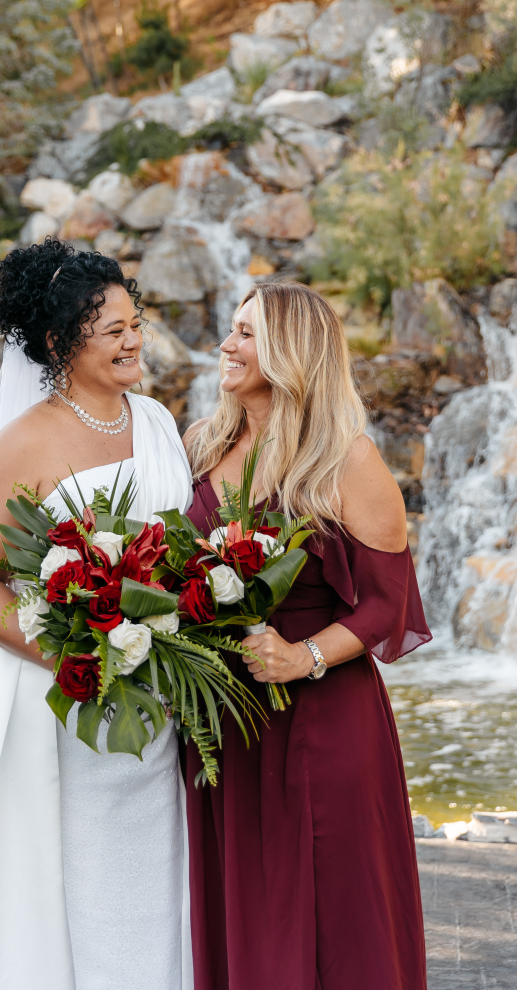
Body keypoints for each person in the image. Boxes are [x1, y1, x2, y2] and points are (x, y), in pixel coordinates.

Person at [0, 239, 194, 990]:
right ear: (60, 344)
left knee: (149, 869)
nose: (134, 341)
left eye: (135, 323)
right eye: (113, 330)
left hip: (152, 691)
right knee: (67, 873)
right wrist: (68, 655)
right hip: (56, 697)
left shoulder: (156, 421)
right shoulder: (24, 443)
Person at [182, 282, 431, 990]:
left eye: (246, 334)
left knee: (338, 921)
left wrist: (304, 656)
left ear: (292, 352)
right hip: (224, 725)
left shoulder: (348, 461)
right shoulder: (200, 445)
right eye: (231, 330)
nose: (227, 345)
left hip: (321, 720)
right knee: (247, 914)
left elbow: (388, 606)